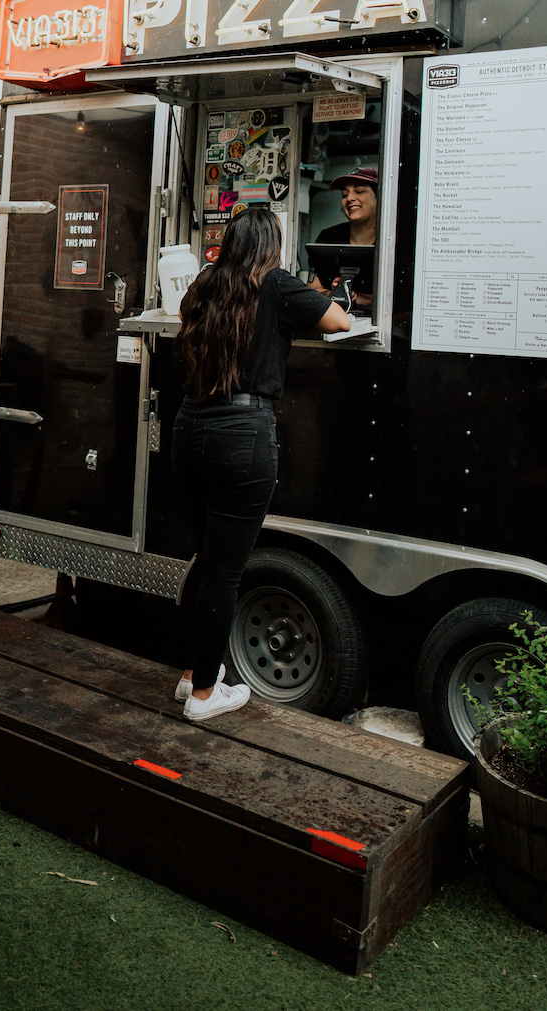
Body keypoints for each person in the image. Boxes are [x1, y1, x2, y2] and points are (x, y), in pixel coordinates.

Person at [172, 207, 350, 721]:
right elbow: (339, 321)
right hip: (243, 436)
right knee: (223, 574)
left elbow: (187, 322)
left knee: (206, 562)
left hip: (190, 426)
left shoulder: (206, 282)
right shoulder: (276, 284)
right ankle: (207, 696)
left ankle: (190, 676)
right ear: (272, 242)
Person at [309, 167, 378, 308]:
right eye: (345, 194)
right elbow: (313, 291)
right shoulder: (328, 238)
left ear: (380, 197)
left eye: (359, 191)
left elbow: (403, 303)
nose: (350, 198)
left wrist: (359, 298)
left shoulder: (393, 241)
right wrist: (333, 294)